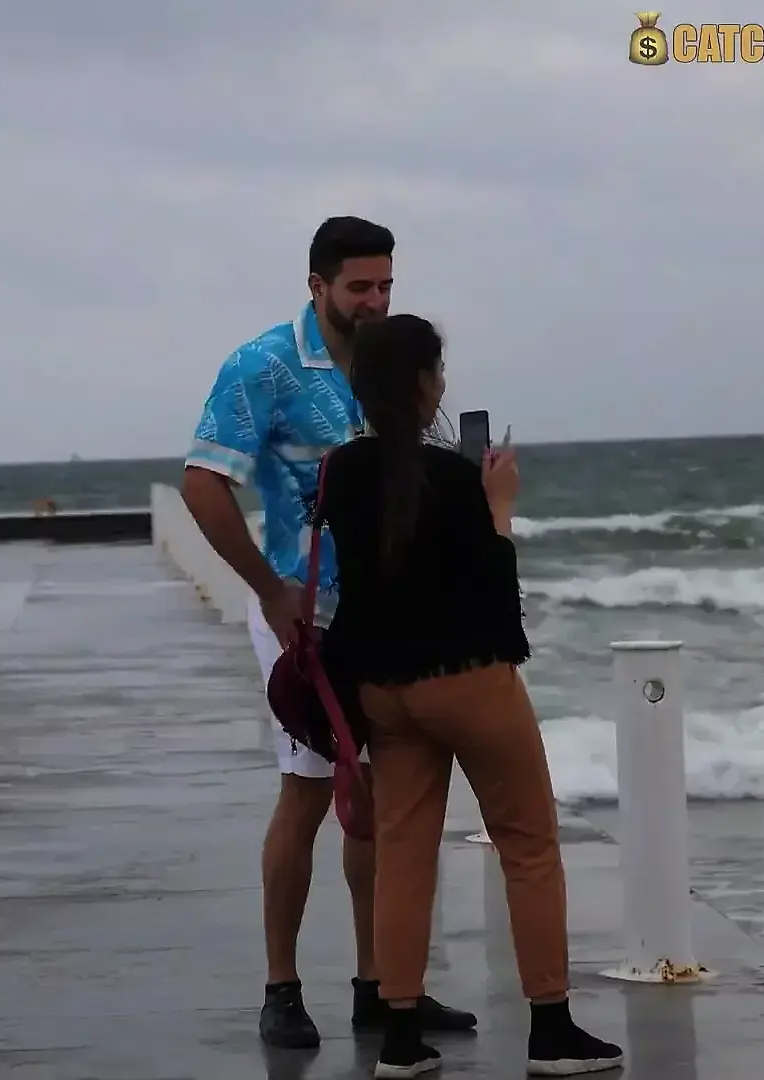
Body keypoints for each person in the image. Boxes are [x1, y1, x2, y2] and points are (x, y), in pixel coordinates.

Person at [181, 218, 476, 1049]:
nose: (377, 301)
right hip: (304, 615)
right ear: (318, 286)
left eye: (387, 285)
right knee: (309, 792)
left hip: (392, 614)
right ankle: (281, 988)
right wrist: (267, 589)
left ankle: (381, 987)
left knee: (382, 799)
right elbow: (203, 483)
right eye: (360, 287)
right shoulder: (264, 365)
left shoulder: (392, 363)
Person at [316, 314, 624, 1078]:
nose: (444, 383)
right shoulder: (453, 479)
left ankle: (399, 1039)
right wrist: (500, 507)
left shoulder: (342, 472)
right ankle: (551, 1031)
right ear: (423, 384)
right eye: (438, 371)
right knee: (528, 844)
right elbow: (492, 593)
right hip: (468, 684)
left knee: (403, 853)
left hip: (384, 693)